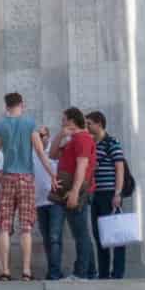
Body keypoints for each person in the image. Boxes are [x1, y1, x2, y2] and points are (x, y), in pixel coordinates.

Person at [0, 93, 40, 280]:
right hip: (26, 178)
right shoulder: (29, 123)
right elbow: (39, 151)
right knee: (26, 226)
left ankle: (5, 270)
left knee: (4, 226)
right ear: (22, 104)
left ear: (6, 105)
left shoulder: (0, 125)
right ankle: (26, 270)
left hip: (7, 177)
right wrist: (52, 174)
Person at [87, 112, 133, 282]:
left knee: (117, 235)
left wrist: (117, 193)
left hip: (110, 194)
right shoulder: (92, 144)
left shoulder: (111, 142)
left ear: (99, 124)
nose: (87, 127)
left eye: (90, 123)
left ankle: (118, 273)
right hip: (95, 194)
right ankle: (104, 273)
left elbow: (119, 168)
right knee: (99, 235)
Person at [54, 109, 98, 281]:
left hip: (78, 190)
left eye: (63, 120)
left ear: (72, 121)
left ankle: (81, 273)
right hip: (73, 189)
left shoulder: (83, 139)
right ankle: (91, 272)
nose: (62, 122)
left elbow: (82, 166)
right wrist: (60, 135)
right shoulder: (73, 139)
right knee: (81, 233)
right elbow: (52, 154)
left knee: (81, 233)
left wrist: (74, 192)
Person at [33, 126, 64, 280]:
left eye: (42, 135)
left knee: (54, 237)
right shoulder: (32, 153)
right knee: (47, 238)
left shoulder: (54, 151)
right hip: (39, 202)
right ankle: (53, 270)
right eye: (37, 135)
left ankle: (54, 272)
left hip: (55, 200)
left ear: (48, 136)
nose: (39, 138)